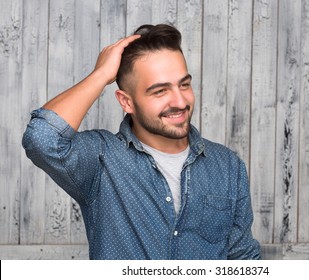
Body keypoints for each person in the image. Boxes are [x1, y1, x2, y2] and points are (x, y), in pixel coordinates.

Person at [22, 24, 261, 260]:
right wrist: (101, 74)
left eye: (184, 84)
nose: (180, 101)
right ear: (126, 102)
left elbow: (242, 258)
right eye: (160, 91)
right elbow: (41, 138)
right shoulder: (101, 161)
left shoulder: (228, 166)